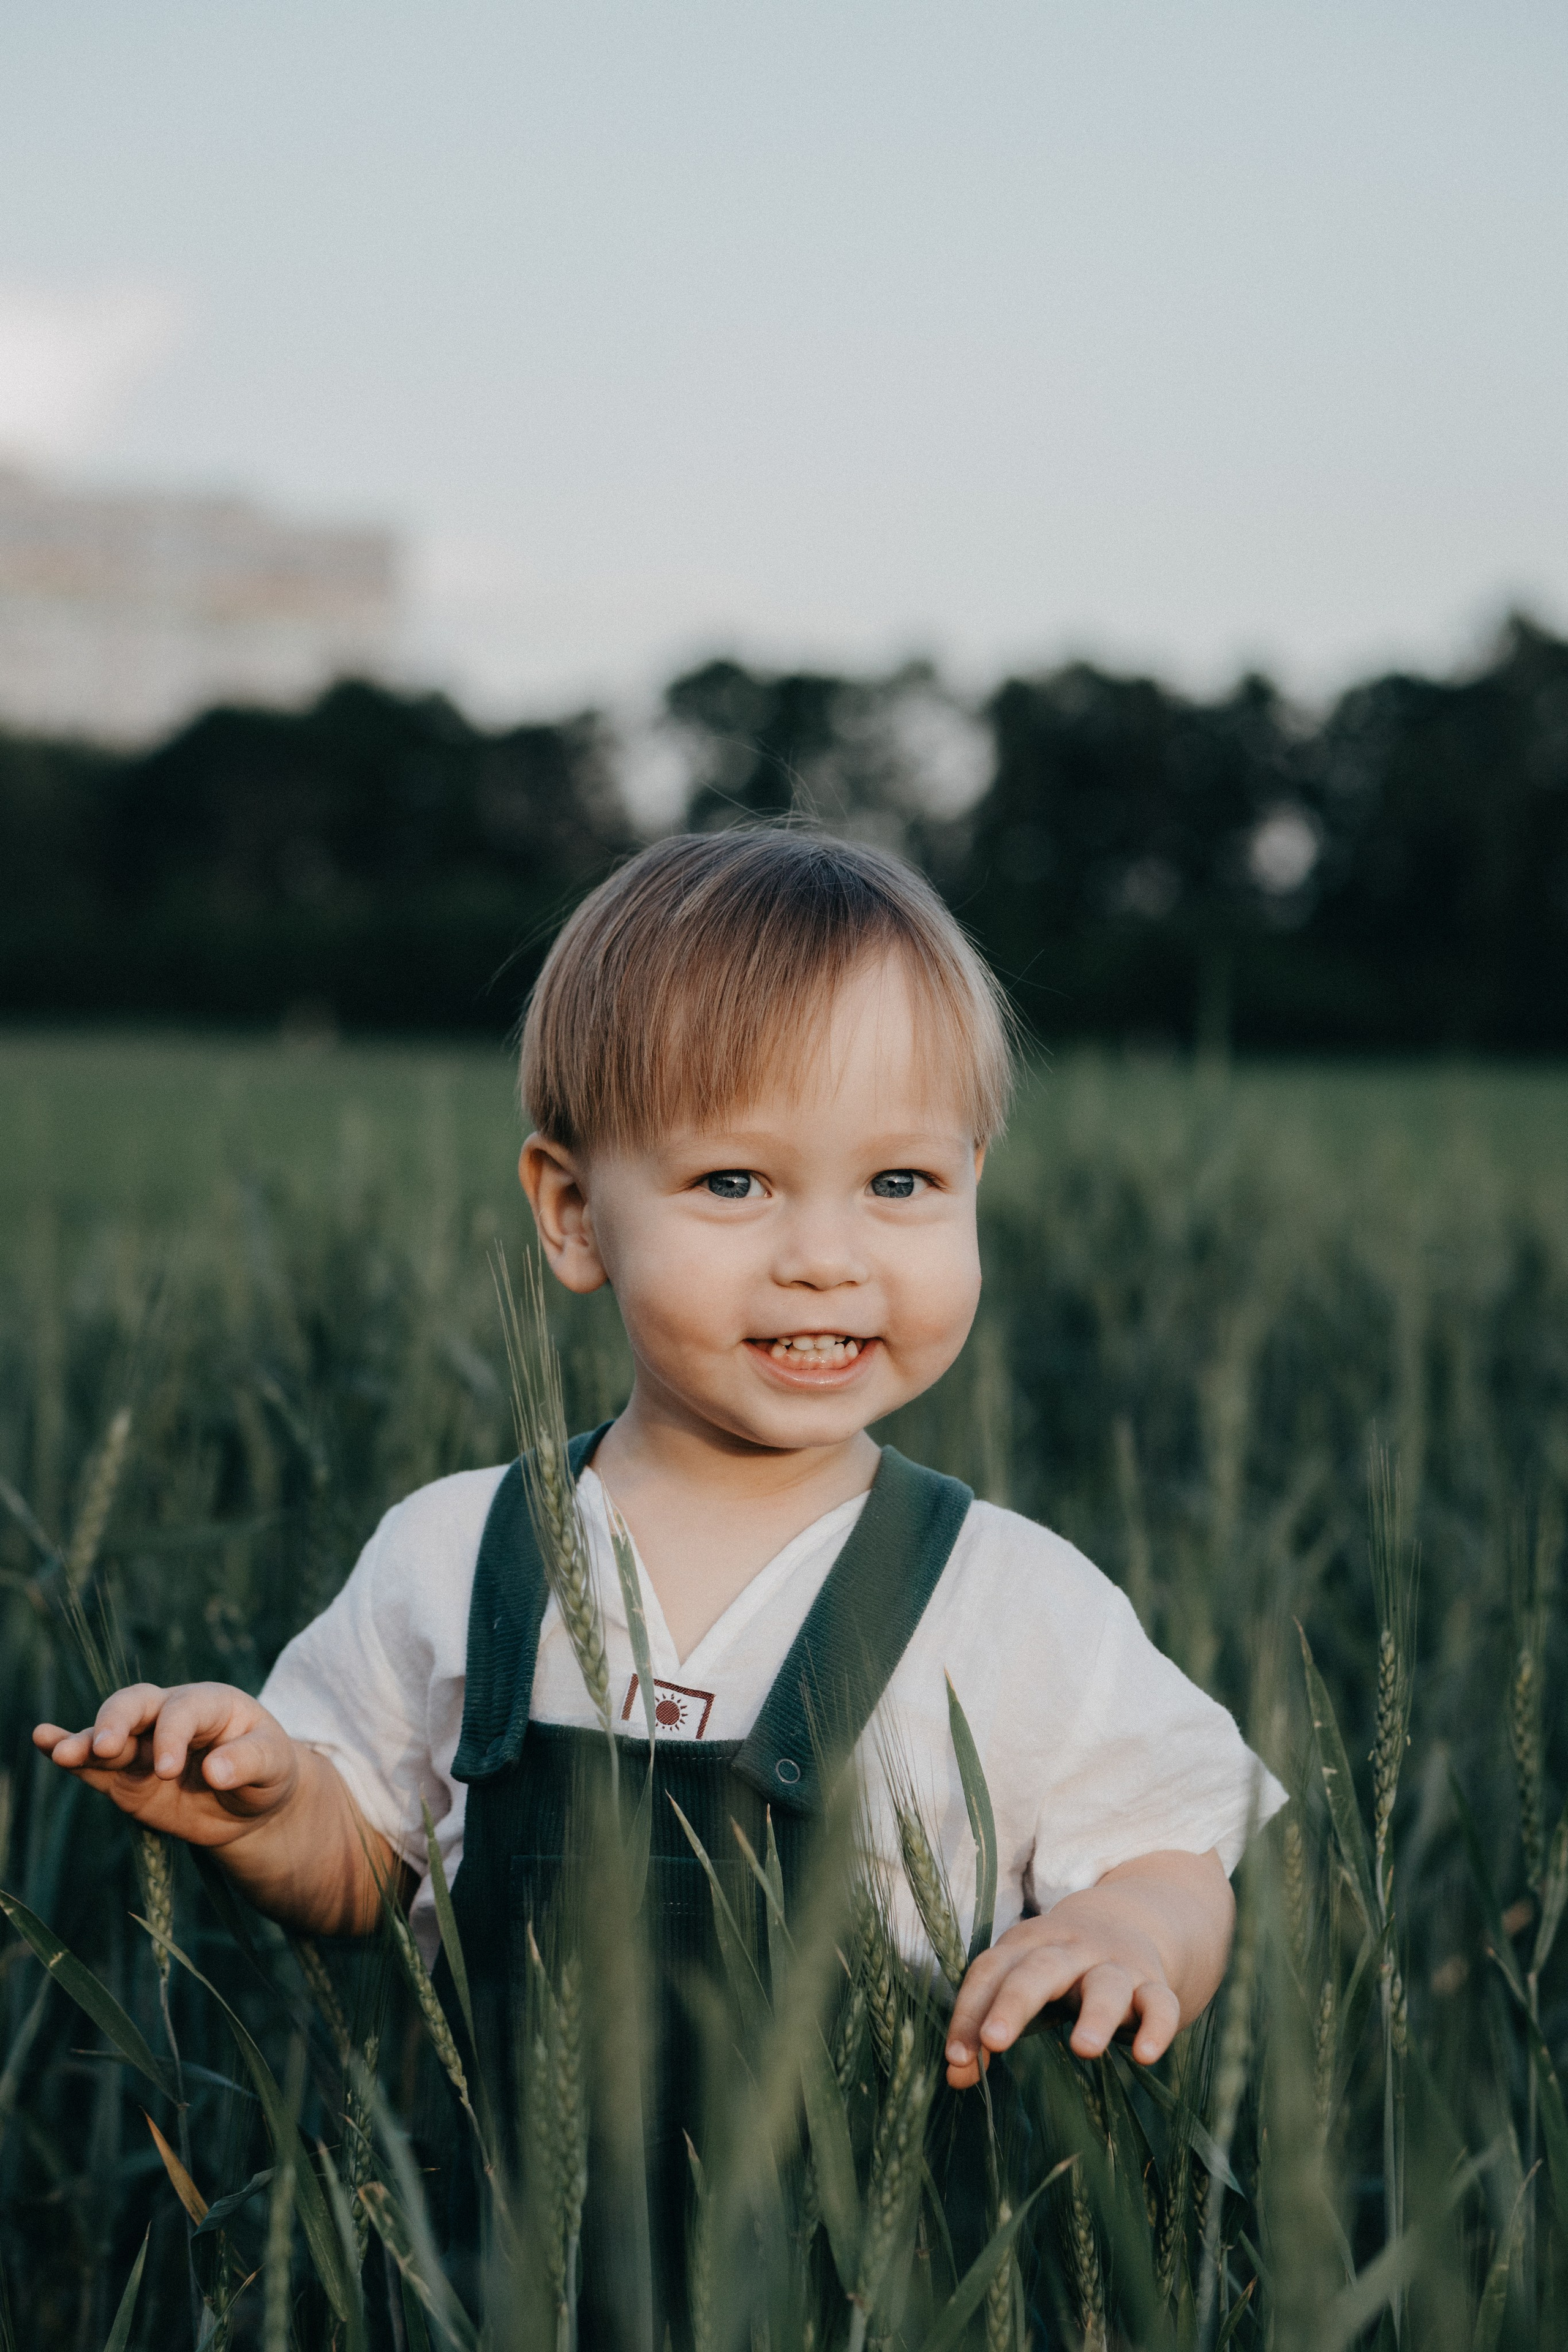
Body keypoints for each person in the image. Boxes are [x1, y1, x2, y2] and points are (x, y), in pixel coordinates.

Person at [34, 829, 1281, 2289]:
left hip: (871, 2292)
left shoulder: (1005, 1596)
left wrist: (1131, 1925)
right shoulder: (459, 1555)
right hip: (505, 2278)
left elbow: (1170, 1846)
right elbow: (369, 1863)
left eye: (897, 1185)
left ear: (971, 1184)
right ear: (572, 1214)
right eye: (736, 1184)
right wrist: (261, 1808)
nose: (826, 1256)